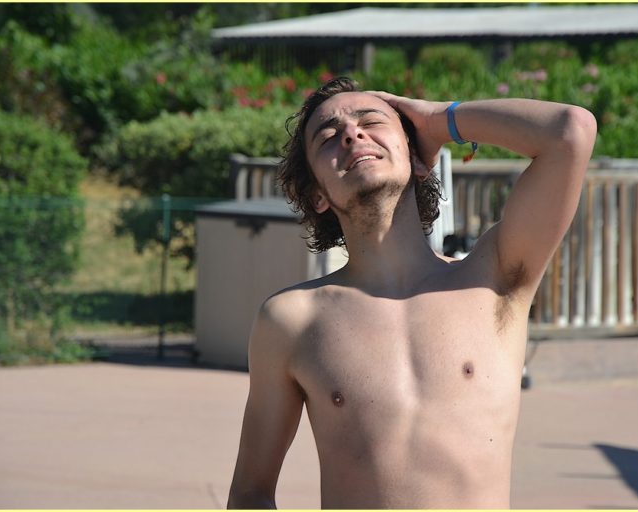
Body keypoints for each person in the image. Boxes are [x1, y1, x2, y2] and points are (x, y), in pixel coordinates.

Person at [227, 77, 596, 509]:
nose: (351, 134)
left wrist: (440, 121)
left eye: (371, 122)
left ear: (418, 159)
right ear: (318, 195)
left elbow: (570, 131)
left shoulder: (494, 280)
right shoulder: (292, 320)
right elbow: (250, 493)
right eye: (328, 137)